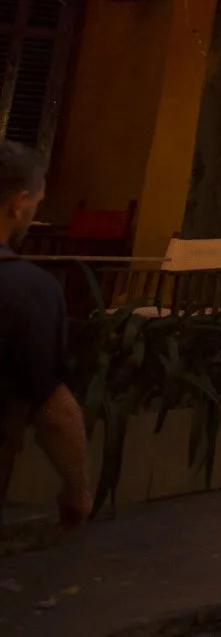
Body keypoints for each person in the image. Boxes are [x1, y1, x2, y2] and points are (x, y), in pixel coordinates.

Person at [0, 143, 89, 533]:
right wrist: (77, 489)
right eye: (36, 202)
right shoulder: (26, 289)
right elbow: (55, 413)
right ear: (18, 203)